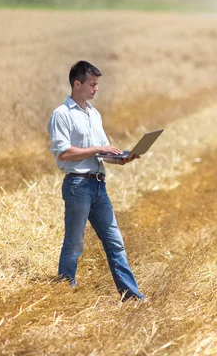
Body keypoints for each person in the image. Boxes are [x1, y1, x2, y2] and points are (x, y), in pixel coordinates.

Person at [47, 60, 144, 302]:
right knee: (74, 244)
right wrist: (97, 148)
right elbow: (64, 153)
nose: (96, 88)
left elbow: (101, 153)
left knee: (115, 242)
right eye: (92, 84)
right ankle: (63, 293)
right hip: (77, 185)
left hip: (99, 185)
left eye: (97, 84)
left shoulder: (94, 113)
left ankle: (131, 296)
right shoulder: (62, 115)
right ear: (77, 84)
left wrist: (121, 159)